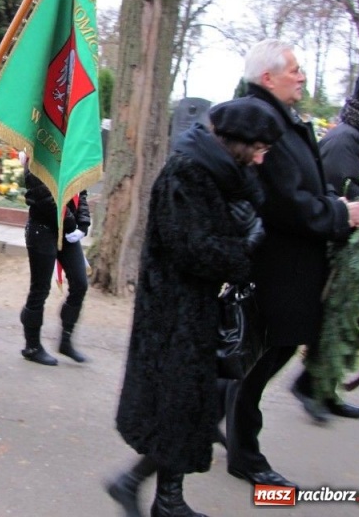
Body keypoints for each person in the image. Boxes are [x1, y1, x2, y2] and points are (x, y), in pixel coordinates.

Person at [105, 98, 283, 517]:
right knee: (176, 407)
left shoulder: (227, 173)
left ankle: (153, 494)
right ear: (236, 142)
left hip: (199, 309)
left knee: (185, 410)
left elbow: (247, 208)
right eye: (258, 147)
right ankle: (153, 495)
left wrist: (248, 224)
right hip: (171, 312)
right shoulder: (184, 173)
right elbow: (191, 248)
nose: (262, 157)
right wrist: (245, 247)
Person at [224, 39, 359, 488]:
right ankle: (243, 453)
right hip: (276, 262)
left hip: (291, 261)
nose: (302, 76)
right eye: (294, 70)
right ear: (267, 78)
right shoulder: (261, 120)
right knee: (260, 357)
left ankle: (218, 426)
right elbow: (283, 201)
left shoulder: (280, 119)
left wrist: (335, 204)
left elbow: (304, 183)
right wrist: (340, 214)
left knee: (265, 355)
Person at [290, 63, 359, 422]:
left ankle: (325, 387)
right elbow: (341, 190)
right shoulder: (347, 137)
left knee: (356, 320)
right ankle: (309, 384)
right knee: (335, 320)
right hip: (343, 246)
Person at [19, 160, 90, 366]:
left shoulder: (71, 148)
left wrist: (83, 223)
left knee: (80, 283)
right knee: (40, 289)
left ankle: (66, 340)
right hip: (43, 227)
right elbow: (42, 194)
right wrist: (71, 222)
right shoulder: (38, 150)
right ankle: (32, 346)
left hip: (67, 229)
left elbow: (80, 188)